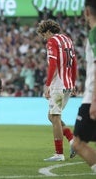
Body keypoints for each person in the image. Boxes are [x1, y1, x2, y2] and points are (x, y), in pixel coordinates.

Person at [36, 19, 77, 161]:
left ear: (48, 31)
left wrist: (47, 85)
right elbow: (74, 63)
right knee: (52, 117)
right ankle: (72, 141)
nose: (44, 38)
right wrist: (74, 82)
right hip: (68, 83)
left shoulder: (52, 41)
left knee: (55, 117)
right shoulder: (68, 40)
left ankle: (59, 154)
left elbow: (53, 64)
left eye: (43, 35)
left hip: (58, 84)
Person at [72, 0, 96, 173]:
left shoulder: (94, 33)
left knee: (78, 143)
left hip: (91, 98)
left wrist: (94, 99)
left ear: (87, 11)